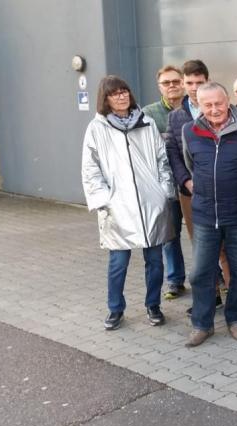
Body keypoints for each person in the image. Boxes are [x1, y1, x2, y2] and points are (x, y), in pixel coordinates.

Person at [81, 75, 176, 330]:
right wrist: (105, 200)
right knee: (118, 262)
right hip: (118, 206)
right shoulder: (97, 128)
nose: (121, 96)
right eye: (114, 93)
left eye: (124, 91)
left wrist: (164, 192)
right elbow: (90, 168)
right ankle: (115, 309)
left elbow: (162, 159)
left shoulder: (146, 123)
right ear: (105, 99)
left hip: (151, 204)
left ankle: (153, 305)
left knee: (154, 260)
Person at [182, 82, 237, 347]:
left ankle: (236, 319)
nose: (214, 109)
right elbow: (191, 165)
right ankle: (202, 324)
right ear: (199, 105)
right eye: (207, 105)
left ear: (228, 100)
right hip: (205, 215)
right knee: (200, 272)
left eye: (219, 103)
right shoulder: (189, 131)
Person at [165, 60, 227, 312]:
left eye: (198, 82)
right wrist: (186, 181)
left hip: (222, 190)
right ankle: (211, 296)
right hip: (191, 192)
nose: (193, 87)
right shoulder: (176, 116)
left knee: (226, 246)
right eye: (189, 83)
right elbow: (173, 152)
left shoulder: (221, 109)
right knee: (202, 245)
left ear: (207, 81)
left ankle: (234, 296)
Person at [142, 65, 187, 300]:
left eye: (175, 81)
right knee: (171, 234)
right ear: (159, 87)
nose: (172, 86)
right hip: (167, 184)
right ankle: (175, 280)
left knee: (205, 234)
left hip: (193, 182)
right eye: (166, 83)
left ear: (183, 83)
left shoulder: (194, 107)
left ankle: (215, 277)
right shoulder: (148, 114)